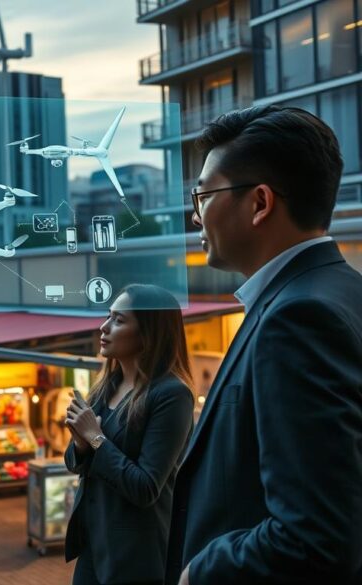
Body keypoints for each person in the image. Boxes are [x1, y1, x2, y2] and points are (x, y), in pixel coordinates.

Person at [165, 106, 362, 585]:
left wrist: (201, 571)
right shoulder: (342, 291)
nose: (195, 214)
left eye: (204, 195)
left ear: (259, 203)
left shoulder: (296, 320)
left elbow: (316, 536)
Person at [63, 284, 195, 585]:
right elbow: (75, 464)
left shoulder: (171, 395)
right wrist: (80, 444)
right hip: (93, 547)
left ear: (148, 333)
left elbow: (146, 487)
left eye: (119, 320)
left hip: (136, 555)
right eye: (108, 316)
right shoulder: (105, 386)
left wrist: (96, 439)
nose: (104, 327)